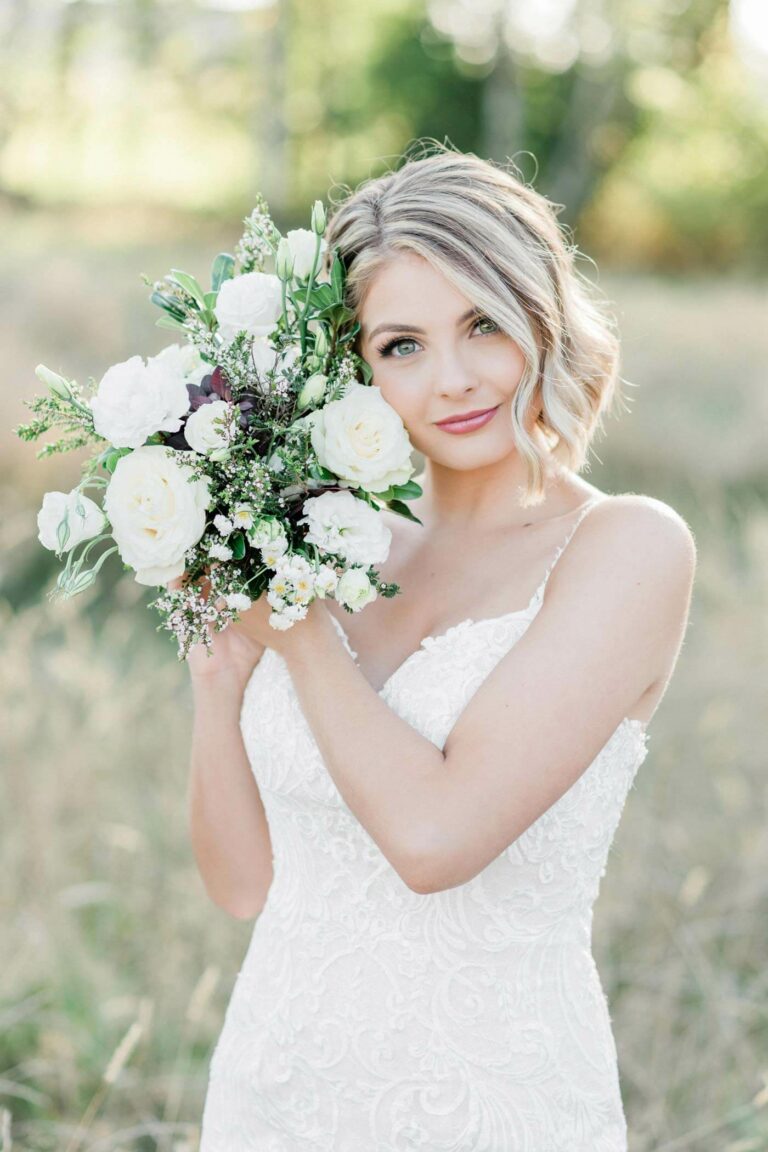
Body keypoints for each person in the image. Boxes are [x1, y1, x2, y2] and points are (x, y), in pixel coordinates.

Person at [192, 145, 696, 1151]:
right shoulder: (328, 538)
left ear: (541, 319)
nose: (453, 379)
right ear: (356, 363)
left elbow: (434, 844)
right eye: (402, 345)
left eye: (482, 325)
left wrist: (296, 641)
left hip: (485, 1100)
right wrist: (217, 675)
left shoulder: (625, 548)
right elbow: (245, 884)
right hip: (275, 1087)